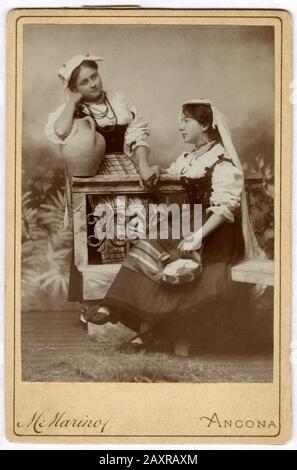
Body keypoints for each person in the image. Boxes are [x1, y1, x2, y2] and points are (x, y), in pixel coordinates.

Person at [96, 99, 266, 356]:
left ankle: (180, 336)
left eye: (186, 121)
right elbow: (173, 173)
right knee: (149, 246)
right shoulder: (190, 158)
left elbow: (224, 209)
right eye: (180, 121)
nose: (180, 127)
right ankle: (118, 309)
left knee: (190, 265)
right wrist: (155, 170)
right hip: (193, 221)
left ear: (206, 124)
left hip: (218, 231)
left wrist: (198, 236)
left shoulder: (222, 162)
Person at [45, 54, 159, 310]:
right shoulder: (72, 110)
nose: (93, 84)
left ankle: (134, 303)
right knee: (98, 234)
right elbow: (61, 132)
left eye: (94, 76)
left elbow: (138, 135)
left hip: (124, 169)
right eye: (84, 82)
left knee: (136, 228)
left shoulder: (119, 101)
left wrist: (142, 164)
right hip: (92, 174)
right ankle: (95, 306)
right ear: (75, 88)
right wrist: (72, 102)